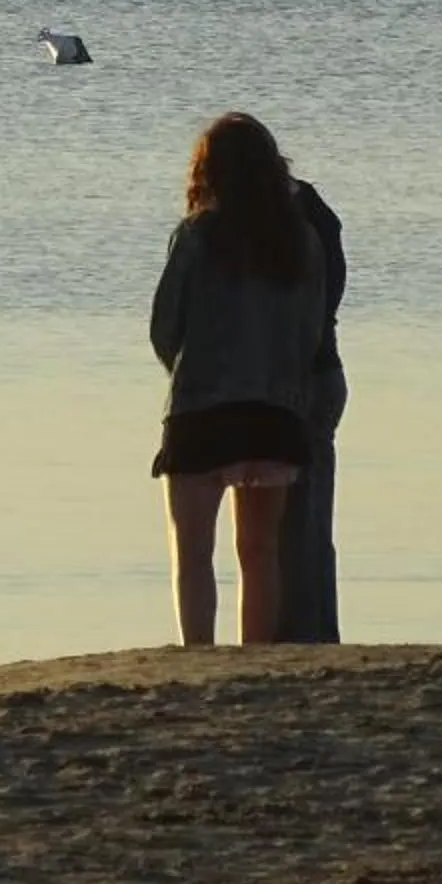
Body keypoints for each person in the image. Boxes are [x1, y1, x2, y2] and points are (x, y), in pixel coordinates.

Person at [148, 113, 327, 646]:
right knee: (259, 552)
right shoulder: (301, 241)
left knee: (193, 552)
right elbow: (310, 332)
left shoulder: (196, 235)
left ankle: (198, 652)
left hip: (201, 410)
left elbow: (164, 327)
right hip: (273, 414)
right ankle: (257, 657)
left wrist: (186, 371)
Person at [278, 178, 349, 643]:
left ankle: (299, 633)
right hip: (324, 373)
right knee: (311, 516)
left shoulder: (278, 219)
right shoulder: (314, 211)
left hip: (297, 380)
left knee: (295, 520)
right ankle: (315, 630)